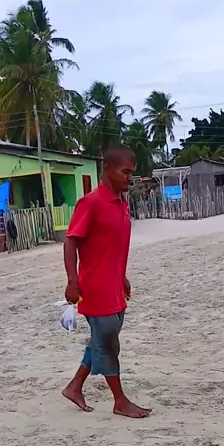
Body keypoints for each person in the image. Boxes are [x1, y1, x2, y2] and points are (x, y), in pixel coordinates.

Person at [62, 147, 151, 418]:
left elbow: (112, 246)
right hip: (95, 289)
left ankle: (74, 387)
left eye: (132, 173)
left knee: (102, 340)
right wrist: (72, 281)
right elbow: (70, 242)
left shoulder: (122, 204)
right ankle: (120, 401)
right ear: (108, 170)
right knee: (109, 344)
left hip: (114, 288)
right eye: (126, 172)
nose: (129, 178)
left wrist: (122, 277)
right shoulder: (91, 203)